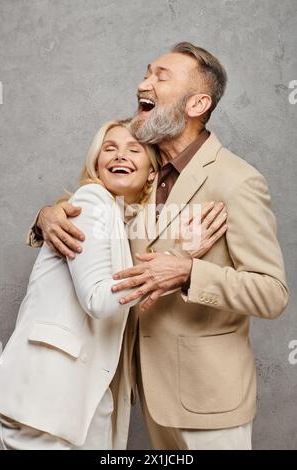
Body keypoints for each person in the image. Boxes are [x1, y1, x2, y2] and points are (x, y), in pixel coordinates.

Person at [26, 42, 289, 450]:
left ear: (197, 103)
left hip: (211, 399)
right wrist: (46, 216)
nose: (142, 83)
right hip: (146, 393)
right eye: (146, 73)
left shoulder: (237, 180)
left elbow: (272, 293)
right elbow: (95, 218)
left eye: (160, 77)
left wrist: (188, 272)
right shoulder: (143, 175)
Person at [0, 119, 226, 450]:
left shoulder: (122, 221)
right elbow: (98, 300)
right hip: (47, 400)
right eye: (110, 149)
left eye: (134, 150)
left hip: (73, 402)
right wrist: (180, 259)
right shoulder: (91, 202)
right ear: (96, 163)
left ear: (152, 171)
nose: (120, 156)